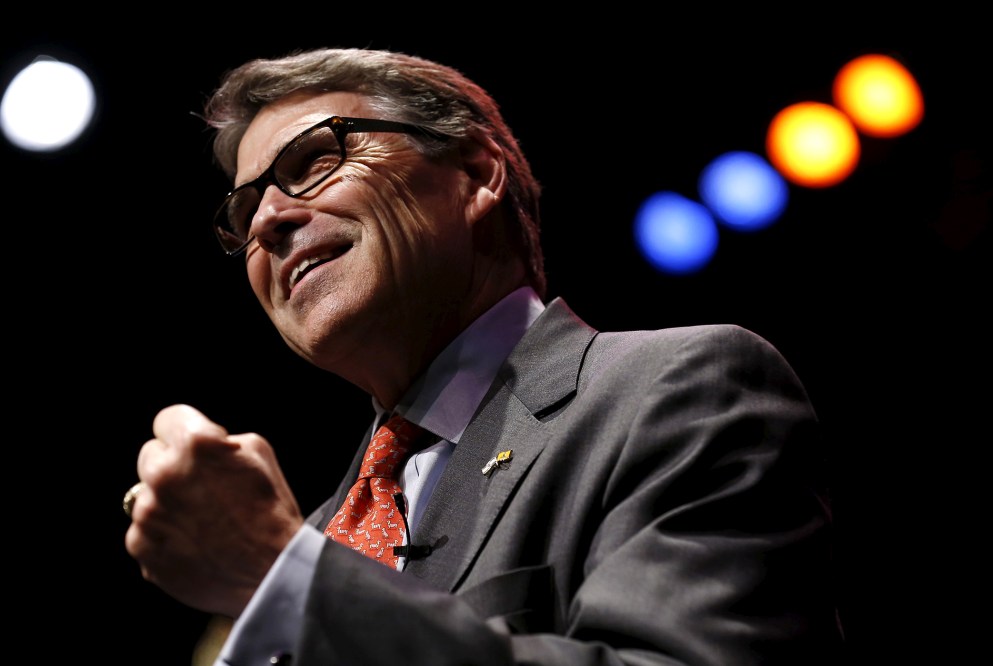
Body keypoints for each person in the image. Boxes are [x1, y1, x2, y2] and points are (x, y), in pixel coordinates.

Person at [124, 46, 845, 665]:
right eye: (244, 213)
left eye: (315, 160)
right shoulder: (308, 537)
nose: (270, 221)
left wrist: (284, 579)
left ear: (476, 173)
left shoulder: (677, 392)